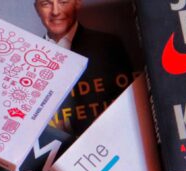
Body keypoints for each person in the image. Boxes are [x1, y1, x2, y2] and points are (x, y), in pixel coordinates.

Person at [34, 0, 134, 134]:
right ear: (37, 9)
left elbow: (127, 108)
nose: (56, 12)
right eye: (46, 4)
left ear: (77, 3)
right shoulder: (28, 57)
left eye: (63, 2)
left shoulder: (108, 45)